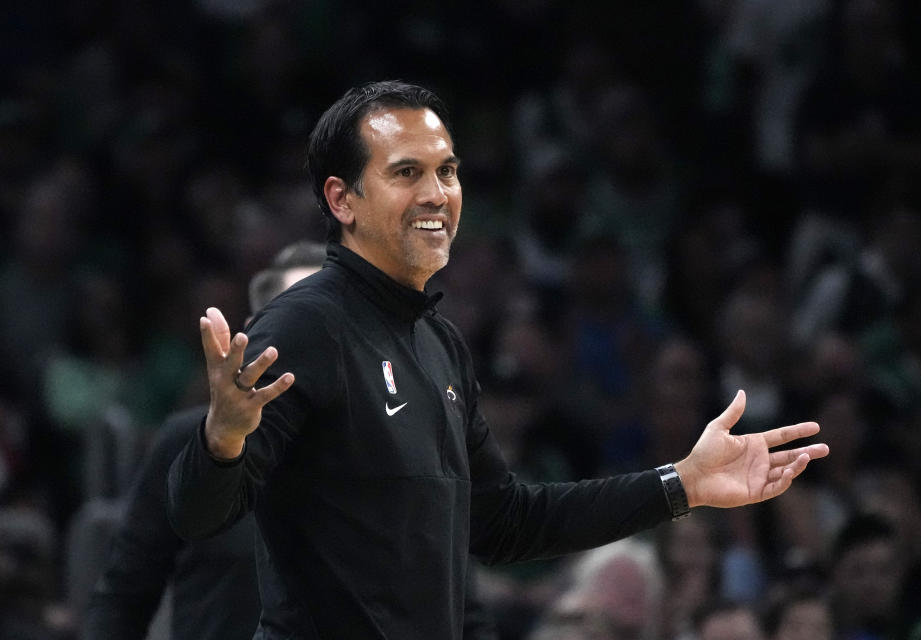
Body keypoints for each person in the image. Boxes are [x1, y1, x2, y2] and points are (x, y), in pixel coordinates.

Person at [167, 80, 829, 640]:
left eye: (446, 170)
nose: (437, 194)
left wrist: (681, 483)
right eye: (406, 172)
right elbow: (198, 514)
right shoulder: (306, 325)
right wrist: (221, 440)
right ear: (343, 200)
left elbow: (508, 522)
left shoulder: (441, 344)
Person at [82, 241, 328, 640]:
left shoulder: (393, 444)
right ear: (255, 332)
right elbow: (123, 598)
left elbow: (457, 604)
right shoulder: (186, 440)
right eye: (301, 319)